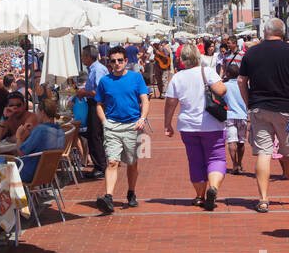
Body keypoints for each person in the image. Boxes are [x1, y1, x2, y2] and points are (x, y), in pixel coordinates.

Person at [237, 17, 289, 213]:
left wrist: (248, 103)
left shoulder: (251, 53)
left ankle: (263, 199)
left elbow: (240, 81)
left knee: (263, 152)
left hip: (259, 109)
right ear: (283, 32)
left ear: (265, 32)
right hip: (288, 109)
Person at [164, 43, 228, 210]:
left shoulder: (177, 77)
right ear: (198, 57)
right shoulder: (207, 72)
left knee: (195, 161)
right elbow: (222, 90)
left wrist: (167, 124)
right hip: (212, 123)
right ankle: (213, 187)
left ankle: (200, 196)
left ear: (182, 60)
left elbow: (171, 103)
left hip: (188, 126)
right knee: (216, 158)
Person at [94, 47, 150, 215]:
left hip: (133, 125)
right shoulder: (105, 81)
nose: (116, 64)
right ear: (109, 63)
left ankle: (131, 191)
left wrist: (142, 118)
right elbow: (99, 104)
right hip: (112, 126)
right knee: (113, 162)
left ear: (126, 61)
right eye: (113, 61)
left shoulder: (136, 77)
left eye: (120, 60)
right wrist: (105, 122)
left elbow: (145, 100)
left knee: (132, 163)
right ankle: (108, 197)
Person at [18, 97, 66, 186]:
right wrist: (33, 131)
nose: (36, 114)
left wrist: (18, 136)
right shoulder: (60, 131)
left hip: (29, 173)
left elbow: (21, 152)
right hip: (47, 174)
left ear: (42, 112)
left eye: (37, 111)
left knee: (3, 164)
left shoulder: (40, 130)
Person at [76, 46, 108, 178]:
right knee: (93, 134)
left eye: (83, 56)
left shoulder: (97, 69)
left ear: (89, 57)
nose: (82, 58)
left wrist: (84, 92)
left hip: (97, 105)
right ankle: (98, 165)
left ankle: (101, 166)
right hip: (93, 104)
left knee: (95, 135)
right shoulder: (94, 69)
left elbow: (99, 92)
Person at [222, 63, 249, 175]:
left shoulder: (225, 86)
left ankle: (234, 164)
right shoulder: (243, 85)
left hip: (230, 116)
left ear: (228, 74)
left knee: (231, 141)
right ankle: (240, 163)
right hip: (242, 115)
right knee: (241, 142)